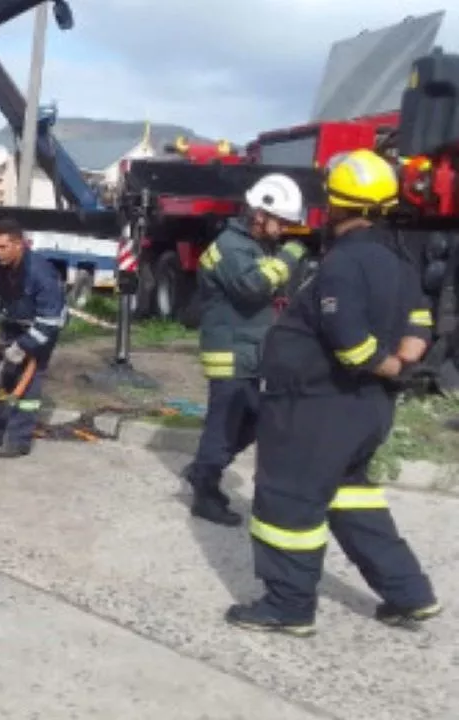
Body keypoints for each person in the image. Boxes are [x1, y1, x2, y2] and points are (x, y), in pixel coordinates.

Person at [227, 149, 441, 636]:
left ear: (338, 204)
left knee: (288, 502)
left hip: (316, 408)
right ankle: (409, 593)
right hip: (364, 412)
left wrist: (387, 366)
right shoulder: (399, 260)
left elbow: (350, 342)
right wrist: (408, 359)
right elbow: (421, 317)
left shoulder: (343, 263)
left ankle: (288, 605)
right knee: (352, 498)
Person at [186, 173, 311, 527]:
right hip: (231, 356)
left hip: (250, 353)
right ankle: (204, 492)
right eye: (281, 221)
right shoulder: (230, 247)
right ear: (260, 213)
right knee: (223, 429)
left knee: (254, 422)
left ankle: (203, 469)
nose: (284, 229)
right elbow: (253, 287)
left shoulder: (252, 247)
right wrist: (289, 257)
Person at [0, 218, 66, 458]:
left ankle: (18, 441)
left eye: (2, 247)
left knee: (27, 385)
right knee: (1, 376)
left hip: (41, 328)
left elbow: (49, 320)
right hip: (11, 323)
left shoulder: (40, 273)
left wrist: (24, 347)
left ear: (19, 245)